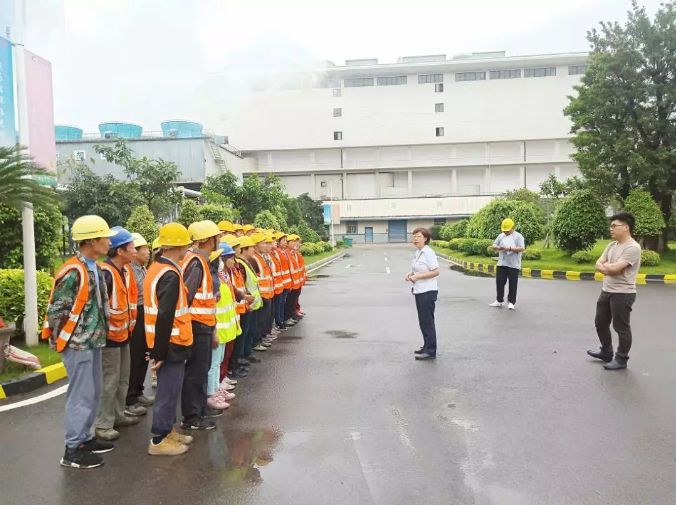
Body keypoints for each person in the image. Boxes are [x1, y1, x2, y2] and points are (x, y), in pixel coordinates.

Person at [43, 215, 116, 469]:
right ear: (92, 241)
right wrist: (62, 339)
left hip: (92, 341)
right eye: (105, 238)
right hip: (77, 344)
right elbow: (57, 310)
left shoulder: (94, 266)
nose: (109, 242)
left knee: (93, 392)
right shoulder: (73, 271)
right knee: (81, 395)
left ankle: (85, 439)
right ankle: (72, 450)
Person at [144, 223, 195, 456]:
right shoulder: (169, 275)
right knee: (167, 391)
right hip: (171, 343)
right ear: (179, 246)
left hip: (168, 341)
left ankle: (167, 431)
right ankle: (158, 440)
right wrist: (160, 353)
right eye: (186, 245)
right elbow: (165, 316)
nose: (187, 249)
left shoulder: (158, 268)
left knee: (171, 390)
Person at [95, 227, 141, 441]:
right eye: (132, 247)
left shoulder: (125, 271)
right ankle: (103, 424)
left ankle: (118, 414)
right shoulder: (106, 273)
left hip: (124, 334)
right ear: (120, 251)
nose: (135, 250)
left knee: (122, 379)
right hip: (110, 338)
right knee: (109, 381)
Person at [587, 213, 642, 371]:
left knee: (621, 327)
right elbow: (599, 264)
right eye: (610, 226)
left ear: (626, 227)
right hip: (606, 290)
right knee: (600, 323)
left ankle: (621, 359)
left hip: (623, 293)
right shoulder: (612, 245)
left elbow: (615, 268)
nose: (611, 229)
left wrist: (609, 268)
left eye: (614, 226)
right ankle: (606, 352)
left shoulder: (633, 248)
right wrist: (609, 269)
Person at [181, 220, 222, 430]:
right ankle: (192, 416)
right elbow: (186, 297)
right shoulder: (196, 262)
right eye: (217, 236)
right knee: (195, 372)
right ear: (207, 239)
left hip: (203, 325)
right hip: (196, 325)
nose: (219, 239)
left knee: (201, 370)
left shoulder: (201, 261)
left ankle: (200, 408)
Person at [207, 242, 239, 410]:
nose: (232, 260)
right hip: (217, 329)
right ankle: (211, 394)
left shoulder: (222, 278)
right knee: (213, 364)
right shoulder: (213, 280)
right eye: (227, 258)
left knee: (218, 361)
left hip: (224, 329)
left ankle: (217, 388)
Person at [126, 233, 155, 413]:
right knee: (135, 357)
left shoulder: (143, 268)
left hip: (146, 313)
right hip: (136, 314)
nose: (148, 252)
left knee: (145, 354)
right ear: (135, 252)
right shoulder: (128, 270)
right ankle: (130, 398)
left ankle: (138, 391)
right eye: (144, 249)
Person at [406, 228, 440, 361]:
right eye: (414, 236)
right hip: (419, 290)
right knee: (423, 321)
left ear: (425, 238)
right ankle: (426, 346)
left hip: (428, 291)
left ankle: (431, 350)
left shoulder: (429, 253)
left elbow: (436, 271)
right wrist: (411, 274)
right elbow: (418, 269)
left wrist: (418, 277)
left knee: (428, 321)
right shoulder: (419, 252)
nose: (415, 239)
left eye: (418, 236)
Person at [489, 218, 525, 310]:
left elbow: (521, 248)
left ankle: (511, 302)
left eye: (507, 231)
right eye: (504, 231)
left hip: (514, 264)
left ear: (512, 228)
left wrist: (510, 248)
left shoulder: (518, 236)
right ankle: (499, 300)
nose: (506, 232)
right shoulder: (501, 236)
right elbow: (494, 245)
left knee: (513, 284)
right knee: (499, 283)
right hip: (502, 263)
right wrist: (498, 247)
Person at [252, 233, 276, 349]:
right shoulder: (255, 258)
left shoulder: (261, 257)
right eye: (263, 243)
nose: (266, 245)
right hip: (262, 294)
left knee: (264, 318)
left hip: (267, 293)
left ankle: (261, 338)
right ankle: (257, 342)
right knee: (260, 320)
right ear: (255, 245)